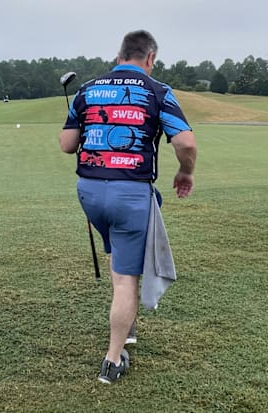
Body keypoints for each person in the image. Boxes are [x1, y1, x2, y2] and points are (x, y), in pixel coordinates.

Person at [59, 30, 197, 384]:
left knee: (118, 258)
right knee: (125, 280)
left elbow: (67, 145)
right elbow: (185, 142)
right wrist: (185, 171)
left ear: (119, 54)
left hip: (89, 193)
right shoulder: (158, 91)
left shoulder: (87, 89)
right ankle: (113, 359)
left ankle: (128, 323)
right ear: (150, 58)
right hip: (131, 195)